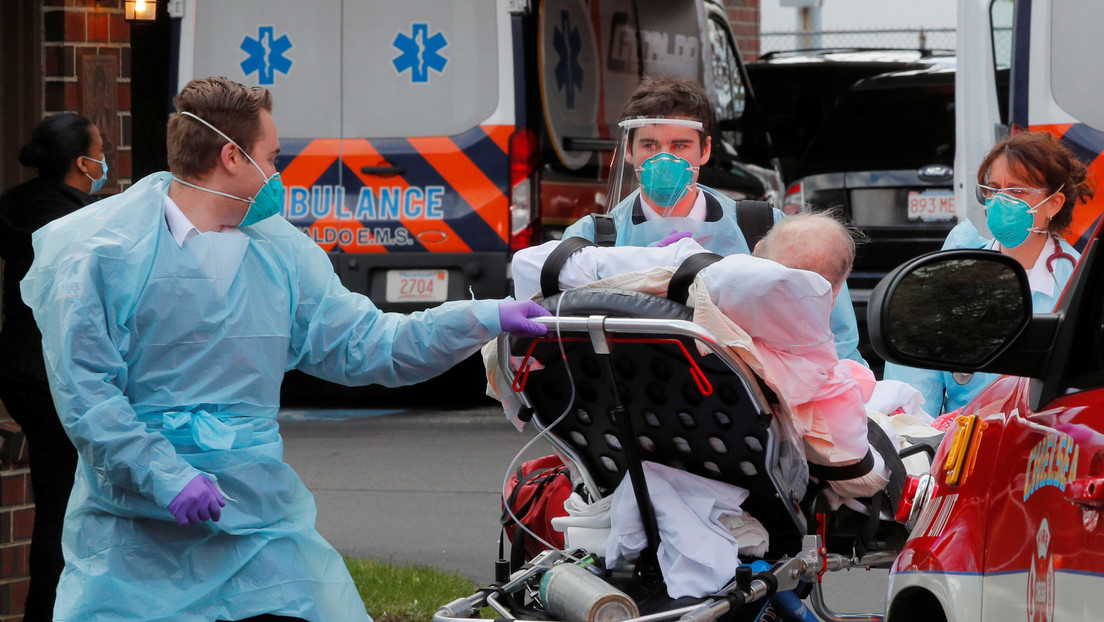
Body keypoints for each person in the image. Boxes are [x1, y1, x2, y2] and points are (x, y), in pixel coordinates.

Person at [19, 77, 548, 622]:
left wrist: (480, 317)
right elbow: (86, 395)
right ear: (232, 156)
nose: (279, 174)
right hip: (134, 543)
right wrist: (164, 474)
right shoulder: (100, 254)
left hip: (258, 532)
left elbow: (368, 345)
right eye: (273, 157)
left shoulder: (280, 252)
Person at [560, 75, 866, 366]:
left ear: (705, 149)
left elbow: (833, 340)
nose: (664, 159)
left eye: (680, 145)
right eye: (650, 145)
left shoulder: (763, 229)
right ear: (628, 150)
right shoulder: (594, 239)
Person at [884, 131, 1093, 416]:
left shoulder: (1081, 282)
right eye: (994, 190)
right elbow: (912, 393)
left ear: (1053, 205)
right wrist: (921, 445)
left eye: (1017, 191)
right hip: (961, 449)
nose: (1000, 202)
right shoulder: (951, 275)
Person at [0, 112, 104, 622]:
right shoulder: (78, 222)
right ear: (82, 163)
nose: (105, 161)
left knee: (58, 498)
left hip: (19, 372)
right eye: (100, 152)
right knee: (64, 508)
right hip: (53, 378)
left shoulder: (15, 205)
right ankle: (46, 611)